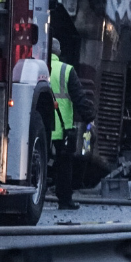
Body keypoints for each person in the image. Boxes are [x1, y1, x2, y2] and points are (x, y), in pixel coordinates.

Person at [50, 37, 96, 210]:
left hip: (41, 125)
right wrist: (89, 117)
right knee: (64, 163)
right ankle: (64, 200)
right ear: (59, 52)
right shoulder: (66, 70)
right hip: (62, 127)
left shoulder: (36, 67)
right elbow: (79, 98)